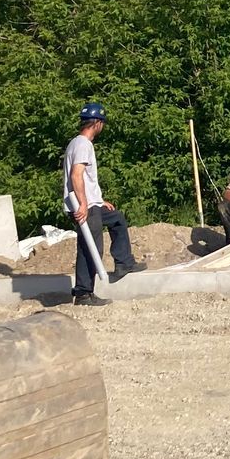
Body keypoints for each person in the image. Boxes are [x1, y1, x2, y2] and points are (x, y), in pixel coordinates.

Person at [63, 102, 143, 306]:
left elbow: (84, 179)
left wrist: (98, 201)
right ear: (97, 123)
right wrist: (83, 204)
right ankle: (83, 293)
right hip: (85, 207)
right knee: (90, 248)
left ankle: (124, 263)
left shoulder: (76, 143)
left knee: (117, 218)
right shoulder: (83, 144)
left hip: (91, 203)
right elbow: (76, 175)